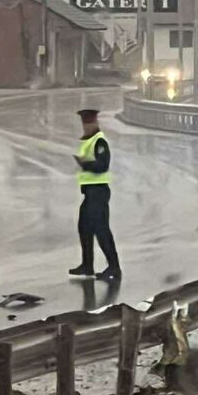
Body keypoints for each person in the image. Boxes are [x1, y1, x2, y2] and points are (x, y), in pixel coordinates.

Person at [69, 107, 121, 281]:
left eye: (88, 123)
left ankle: (114, 267)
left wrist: (85, 163)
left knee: (101, 230)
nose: (86, 126)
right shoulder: (89, 141)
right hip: (90, 193)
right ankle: (87, 265)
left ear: (95, 123)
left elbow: (102, 165)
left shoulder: (100, 142)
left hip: (98, 192)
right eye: (84, 123)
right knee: (84, 228)